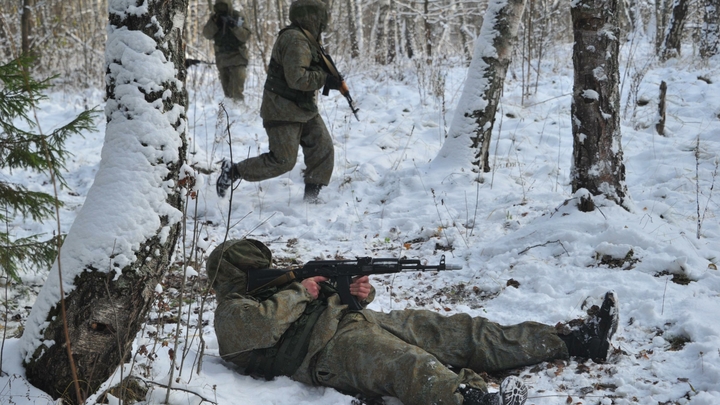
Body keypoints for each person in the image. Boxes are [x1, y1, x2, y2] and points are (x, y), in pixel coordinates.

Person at [208, 239, 620, 405]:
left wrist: (353, 293)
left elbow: (326, 298)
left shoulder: (278, 286)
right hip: (323, 353)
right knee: (409, 365)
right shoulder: (230, 311)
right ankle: (473, 399)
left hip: (355, 321)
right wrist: (303, 290)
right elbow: (258, 329)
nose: (269, 269)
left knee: (459, 331)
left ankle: (574, 341)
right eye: (256, 267)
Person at [215, 0, 341, 203]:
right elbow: (297, 78)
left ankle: (311, 200)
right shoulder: (295, 40)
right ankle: (233, 171)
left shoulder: (306, 38)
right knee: (282, 161)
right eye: (320, 17)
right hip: (282, 109)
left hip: (302, 107)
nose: (323, 22)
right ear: (311, 17)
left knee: (323, 147)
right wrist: (325, 79)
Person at [202, 0, 251, 101]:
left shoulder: (237, 16)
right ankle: (230, 113)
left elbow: (245, 36)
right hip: (222, 58)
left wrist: (234, 26)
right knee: (227, 92)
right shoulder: (215, 18)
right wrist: (215, 25)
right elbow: (207, 34)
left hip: (238, 56)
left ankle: (239, 112)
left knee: (237, 91)